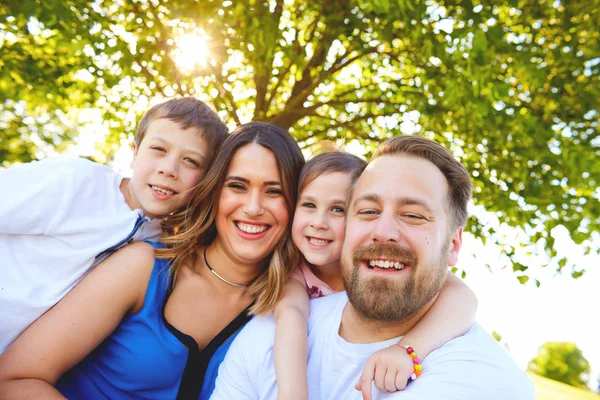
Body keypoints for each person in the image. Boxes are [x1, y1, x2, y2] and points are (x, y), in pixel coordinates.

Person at [211, 135, 535, 399]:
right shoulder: (267, 331)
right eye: (368, 211)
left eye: (413, 215)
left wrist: (409, 350)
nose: (383, 231)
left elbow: (462, 296)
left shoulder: (482, 380)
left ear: (453, 245)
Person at [0, 122, 305, 400]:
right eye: (237, 186)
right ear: (212, 192)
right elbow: (14, 379)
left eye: (274, 191)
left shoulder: (285, 303)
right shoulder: (144, 267)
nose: (253, 207)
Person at [0, 97, 228, 354]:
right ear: (134, 153)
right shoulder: (76, 183)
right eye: (158, 149)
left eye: (191, 161)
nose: (169, 169)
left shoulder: (165, 245)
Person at [273, 151, 478, 400]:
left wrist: (408, 349)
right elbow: (290, 320)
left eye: (338, 209)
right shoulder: (295, 273)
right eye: (308, 205)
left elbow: (463, 298)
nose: (319, 222)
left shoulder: (377, 263)